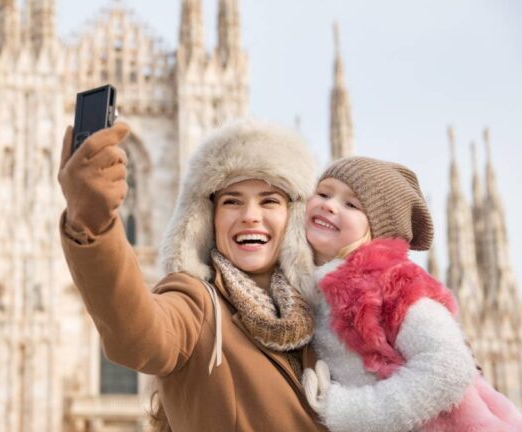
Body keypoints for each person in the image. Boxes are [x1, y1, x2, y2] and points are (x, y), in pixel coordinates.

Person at [58, 118, 327, 431]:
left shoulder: (324, 318)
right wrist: (92, 222)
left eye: (269, 201)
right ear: (206, 220)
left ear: (294, 218)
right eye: (231, 201)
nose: (250, 216)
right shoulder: (197, 307)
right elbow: (138, 332)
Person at [301, 156, 522, 432]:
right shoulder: (316, 289)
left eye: (351, 204)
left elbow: (449, 367)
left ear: (376, 231)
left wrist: (348, 411)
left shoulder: (391, 283)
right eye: (322, 193)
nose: (329, 204)